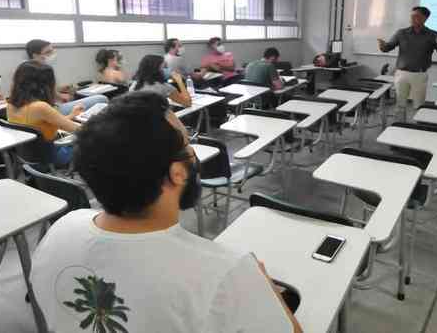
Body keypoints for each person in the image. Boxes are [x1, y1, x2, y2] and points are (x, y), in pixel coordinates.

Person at [30, 91, 302, 333]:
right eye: (187, 143)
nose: (193, 153)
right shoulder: (224, 272)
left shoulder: (59, 231)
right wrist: (264, 288)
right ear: (177, 173)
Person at [378, 6, 437, 120]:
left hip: (419, 75)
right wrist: (382, 45)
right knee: (400, 105)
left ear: (424, 19)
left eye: (416, 16)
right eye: (411, 16)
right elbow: (387, 48)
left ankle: (417, 130)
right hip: (401, 74)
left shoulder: (433, 34)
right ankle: (399, 127)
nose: (412, 19)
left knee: (419, 106)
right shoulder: (401, 33)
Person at [7, 61, 83, 166]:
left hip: (27, 157)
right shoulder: (40, 107)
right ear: (44, 85)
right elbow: (80, 131)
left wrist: (72, 115)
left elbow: (43, 125)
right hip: (52, 156)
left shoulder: (10, 104)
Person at [25, 39, 108, 115]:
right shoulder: (39, 70)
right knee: (101, 98)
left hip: (44, 107)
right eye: (48, 52)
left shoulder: (26, 68)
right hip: (49, 111)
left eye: (52, 51)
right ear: (35, 55)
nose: (52, 54)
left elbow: (39, 91)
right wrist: (63, 96)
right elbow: (56, 96)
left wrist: (60, 89)